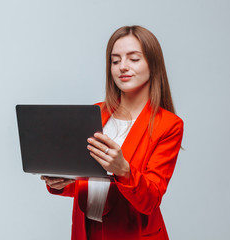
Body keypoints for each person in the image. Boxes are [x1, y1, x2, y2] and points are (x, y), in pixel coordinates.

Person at [41, 25, 184, 240]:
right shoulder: (95, 112)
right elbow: (94, 187)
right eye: (115, 61)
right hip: (87, 232)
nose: (122, 67)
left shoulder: (168, 124)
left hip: (132, 234)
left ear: (153, 65)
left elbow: (151, 200)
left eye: (133, 59)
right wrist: (65, 182)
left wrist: (124, 171)